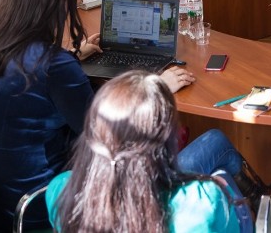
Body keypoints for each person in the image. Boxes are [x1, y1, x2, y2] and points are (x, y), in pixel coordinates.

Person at [0, 0, 196, 232]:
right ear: (61, 2)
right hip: (32, 210)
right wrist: (156, 86)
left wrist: (73, 55)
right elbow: (107, 134)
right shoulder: (53, 64)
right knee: (211, 147)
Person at [47, 72, 259, 232]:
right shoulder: (202, 201)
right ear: (167, 138)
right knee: (225, 177)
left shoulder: (60, 190)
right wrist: (224, 193)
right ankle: (259, 199)